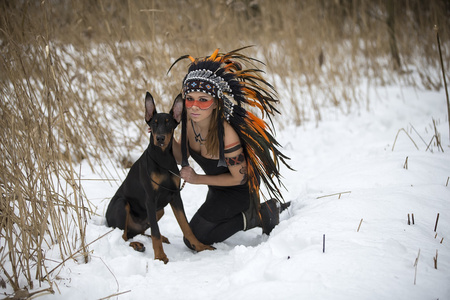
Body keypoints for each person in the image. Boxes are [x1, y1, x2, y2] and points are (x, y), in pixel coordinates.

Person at [168, 47, 292, 249]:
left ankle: (257, 214)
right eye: (190, 99)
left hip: (239, 192)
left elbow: (239, 177)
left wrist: (198, 179)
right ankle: (251, 214)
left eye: (203, 100)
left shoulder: (227, 135)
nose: (194, 107)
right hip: (217, 189)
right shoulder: (188, 121)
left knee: (193, 239)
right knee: (194, 237)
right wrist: (164, 136)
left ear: (216, 103)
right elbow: (180, 153)